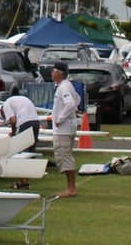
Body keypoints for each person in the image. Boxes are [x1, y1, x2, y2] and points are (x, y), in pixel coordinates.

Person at [50, 60, 81, 198]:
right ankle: (70, 187)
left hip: (63, 129)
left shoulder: (64, 87)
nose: (51, 73)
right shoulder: (66, 86)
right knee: (64, 156)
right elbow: (77, 100)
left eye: (53, 71)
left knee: (65, 157)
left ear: (58, 73)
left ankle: (71, 188)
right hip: (66, 128)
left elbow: (70, 104)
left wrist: (60, 119)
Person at [0, 94, 41, 189]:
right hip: (36, 122)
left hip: (25, 122)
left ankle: (23, 182)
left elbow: (13, 120)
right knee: (30, 152)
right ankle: (26, 181)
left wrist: (13, 132)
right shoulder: (18, 100)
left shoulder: (6, 104)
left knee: (22, 152)